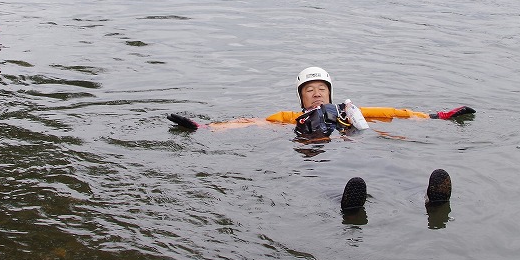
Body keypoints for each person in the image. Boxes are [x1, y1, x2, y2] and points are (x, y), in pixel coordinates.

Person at [168, 67, 464, 215]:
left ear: (330, 92)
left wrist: (438, 116)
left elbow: (394, 113)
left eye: (322, 88)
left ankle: (431, 197)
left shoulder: (350, 111)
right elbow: (249, 123)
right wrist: (205, 127)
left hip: (355, 144)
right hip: (317, 152)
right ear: (301, 97)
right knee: (327, 176)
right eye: (310, 90)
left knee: (386, 166)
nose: (317, 93)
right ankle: (348, 204)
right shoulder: (288, 117)